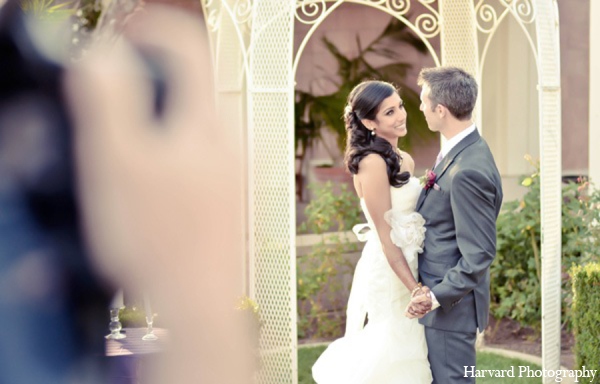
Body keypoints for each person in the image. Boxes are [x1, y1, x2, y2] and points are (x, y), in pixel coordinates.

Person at [312, 80, 432, 383]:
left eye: (400, 106)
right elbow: (385, 233)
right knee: (392, 343)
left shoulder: (404, 159)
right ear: (368, 122)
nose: (401, 115)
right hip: (391, 266)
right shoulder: (371, 162)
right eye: (389, 112)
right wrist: (413, 288)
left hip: (411, 259)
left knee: (410, 341)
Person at [406, 66, 503, 384]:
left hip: (450, 309)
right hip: (441, 305)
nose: (419, 107)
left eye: (424, 101)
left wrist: (434, 297)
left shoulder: (467, 170)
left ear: (441, 110)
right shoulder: (463, 148)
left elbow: (479, 254)